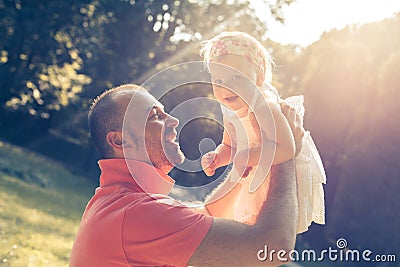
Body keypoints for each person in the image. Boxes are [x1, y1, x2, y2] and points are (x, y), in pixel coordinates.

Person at [70, 83, 303, 266]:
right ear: (119, 140)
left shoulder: (122, 203)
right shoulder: (134, 214)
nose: (173, 120)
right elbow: (272, 249)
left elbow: (209, 214)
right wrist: (283, 153)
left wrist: (245, 166)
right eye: (155, 116)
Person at [200, 31, 326, 233]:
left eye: (235, 77)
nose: (226, 88)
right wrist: (217, 157)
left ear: (258, 78)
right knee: (242, 228)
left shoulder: (263, 106)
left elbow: (287, 148)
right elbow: (230, 145)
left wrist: (246, 156)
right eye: (219, 82)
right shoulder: (229, 111)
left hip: (274, 175)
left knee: (262, 229)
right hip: (253, 174)